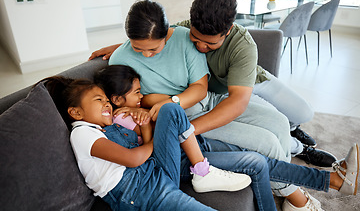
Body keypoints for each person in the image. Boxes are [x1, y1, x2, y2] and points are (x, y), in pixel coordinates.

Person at [88, 0, 336, 169]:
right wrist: (125, 47)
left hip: (242, 87)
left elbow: (234, 101)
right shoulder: (183, 32)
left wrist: (184, 124)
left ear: (226, 32)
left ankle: (297, 143)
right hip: (207, 98)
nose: (200, 47)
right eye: (196, 39)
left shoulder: (240, 46)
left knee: (291, 118)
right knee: (269, 139)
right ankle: (293, 181)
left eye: (209, 43)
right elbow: (154, 32)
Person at [88, 64, 358, 211]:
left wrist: (142, 112)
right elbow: (143, 150)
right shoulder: (117, 120)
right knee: (172, 110)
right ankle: (202, 170)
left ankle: (335, 180)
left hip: (187, 148)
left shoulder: (132, 111)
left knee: (259, 161)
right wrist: (143, 120)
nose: (141, 96)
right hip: (173, 165)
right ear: (117, 99)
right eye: (136, 92)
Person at [40, 76, 254, 211]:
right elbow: (132, 159)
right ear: (76, 113)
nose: (106, 103)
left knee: (171, 109)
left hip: (152, 174)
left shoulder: (104, 128)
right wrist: (157, 143)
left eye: (106, 99)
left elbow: (141, 151)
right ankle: (202, 171)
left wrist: (143, 123)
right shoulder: (81, 134)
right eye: (99, 100)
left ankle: (201, 171)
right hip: (136, 191)